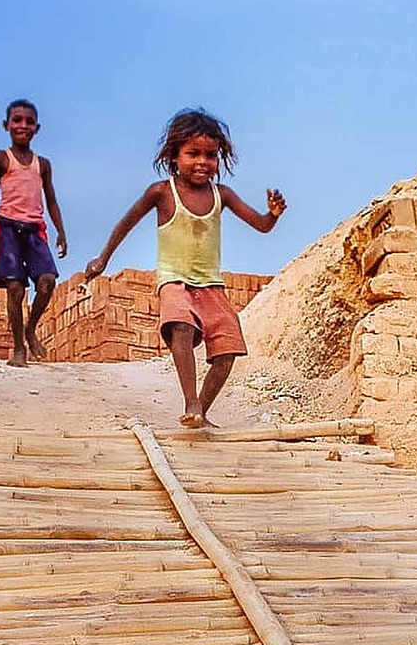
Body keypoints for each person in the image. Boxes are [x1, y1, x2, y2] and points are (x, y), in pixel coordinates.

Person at [86, 109, 285, 428]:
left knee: (228, 348)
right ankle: (190, 400)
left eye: (210, 155)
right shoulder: (162, 192)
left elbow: (260, 225)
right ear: (174, 155)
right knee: (181, 325)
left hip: (211, 285)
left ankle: (200, 411)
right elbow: (126, 223)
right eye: (193, 154)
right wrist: (102, 259)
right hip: (174, 280)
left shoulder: (223, 195)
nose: (202, 162)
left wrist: (272, 214)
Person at [0, 98, 67, 366]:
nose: (23, 125)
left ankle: (30, 328)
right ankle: (19, 348)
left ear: (37, 128)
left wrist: (61, 231)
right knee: (15, 288)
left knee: (47, 281)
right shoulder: (0, 158)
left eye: (29, 121)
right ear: (7, 125)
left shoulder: (43, 164)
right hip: (6, 228)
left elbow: (51, 198)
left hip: (33, 230)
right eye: (17, 120)